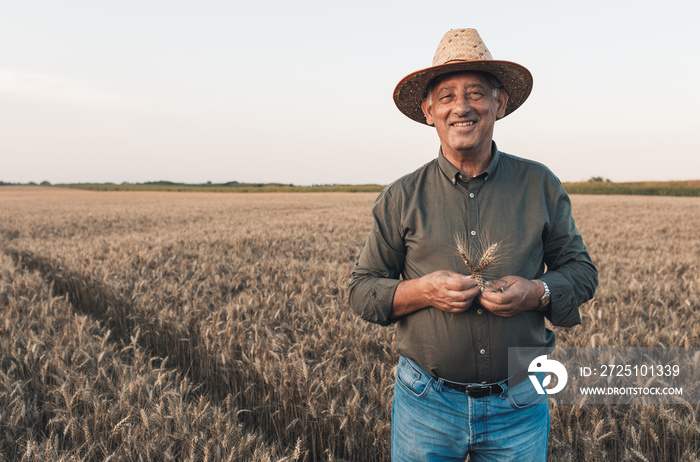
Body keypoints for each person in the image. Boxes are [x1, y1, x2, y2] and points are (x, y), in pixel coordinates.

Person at [348, 28, 598, 461]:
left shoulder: (539, 184)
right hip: (425, 402)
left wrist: (535, 292)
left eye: (476, 93)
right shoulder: (400, 197)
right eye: (446, 96)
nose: (461, 107)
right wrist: (423, 290)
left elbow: (581, 273)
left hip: (521, 398)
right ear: (429, 111)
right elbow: (361, 290)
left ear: (500, 104)